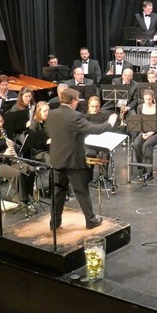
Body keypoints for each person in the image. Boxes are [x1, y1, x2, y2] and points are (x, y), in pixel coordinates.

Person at [46, 88, 113, 230]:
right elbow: (94, 130)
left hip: (57, 159)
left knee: (58, 192)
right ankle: (91, 220)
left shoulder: (51, 114)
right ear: (73, 101)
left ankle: (55, 222)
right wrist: (110, 124)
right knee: (81, 191)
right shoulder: (75, 116)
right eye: (77, 100)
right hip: (73, 161)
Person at [0, 112, 35, 208]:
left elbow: (9, 146)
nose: (1, 124)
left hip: (7, 160)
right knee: (16, 174)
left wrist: (13, 145)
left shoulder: (3, 132)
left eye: (1, 122)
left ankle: (23, 195)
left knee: (30, 170)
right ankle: (24, 200)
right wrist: (4, 154)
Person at [132, 90, 157, 182]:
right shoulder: (140, 107)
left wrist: (151, 132)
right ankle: (142, 168)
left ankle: (149, 171)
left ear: (153, 98)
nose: (147, 101)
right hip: (144, 133)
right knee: (136, 144)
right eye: (145, 99)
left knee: (147, 145)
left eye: (149, 99)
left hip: (156, 133)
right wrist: (142, 133)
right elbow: (139, 121)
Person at [27, 101, 51, 165]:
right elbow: (33, 144)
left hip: (49, 148)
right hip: (38, 152)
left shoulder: (49, 121)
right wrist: (46, 142)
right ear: (39, 112)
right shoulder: (34, 124)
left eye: (48, 110)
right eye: (44, 111)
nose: (47, 113)